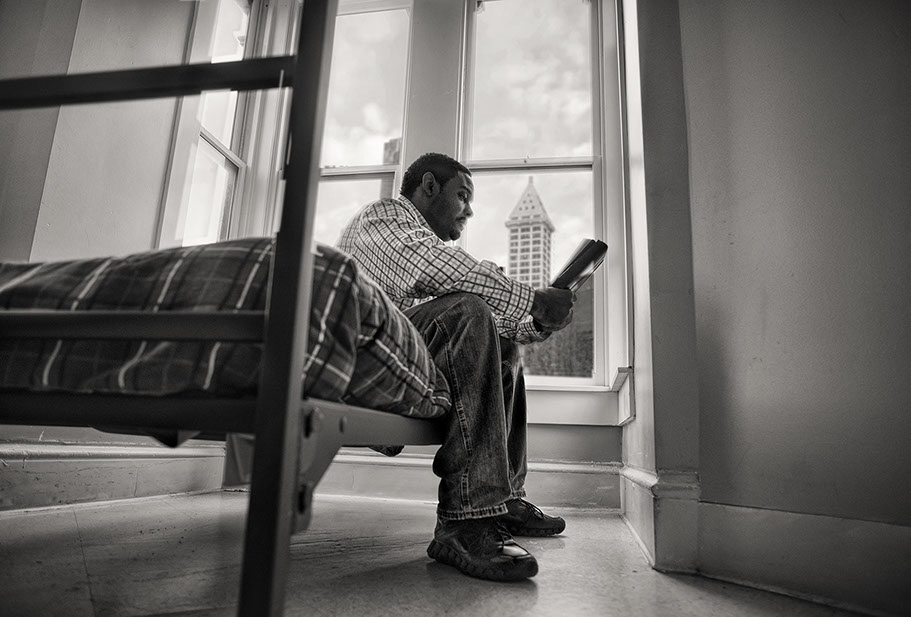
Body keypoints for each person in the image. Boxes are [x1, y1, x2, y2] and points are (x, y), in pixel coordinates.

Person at [335, 152, 575, 582]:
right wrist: (534, 299)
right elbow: (436, 271)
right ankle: (465, 520)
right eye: (462, 196)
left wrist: (537, 321)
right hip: (362, 365)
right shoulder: (384, 216)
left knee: (498, 337)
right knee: (467, 310)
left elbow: (494, 322)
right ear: (429, 186)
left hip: (396, 357)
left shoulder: (420, 252)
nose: (469, 211)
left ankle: (503, 499)